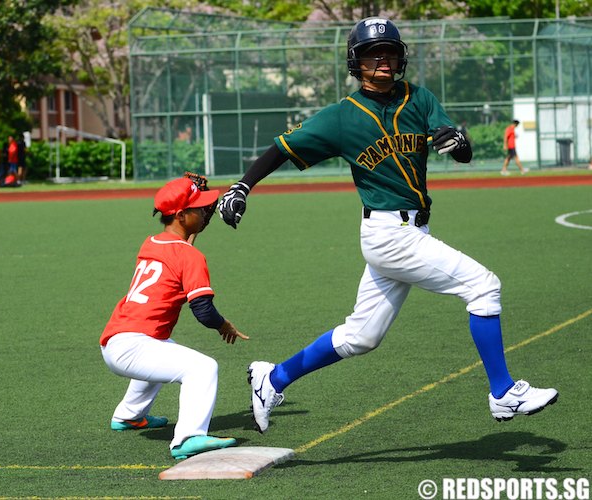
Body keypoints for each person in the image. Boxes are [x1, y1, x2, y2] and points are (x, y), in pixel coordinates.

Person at [217, 17, 558, 434]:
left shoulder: (420, 98)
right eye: (373, 53)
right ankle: (504, 392)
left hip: (413, 231)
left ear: (401, 60)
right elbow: (282, 149)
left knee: (362, 336)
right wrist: (241, 186)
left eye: (391, 52)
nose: (383, 59)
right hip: (387, 234)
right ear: (356, 62)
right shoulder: (341, 117)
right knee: (483, 285)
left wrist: (459, 142)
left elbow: (460, 149)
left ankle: (273, 378)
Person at [100, 177, 249, 460]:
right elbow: (203, 311)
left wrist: (195, 199)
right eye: (200, 209)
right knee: (203, 368)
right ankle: (189, 438)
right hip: (132, 347)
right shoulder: (189, 256)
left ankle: (129, 415)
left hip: (114, 342)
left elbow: (181, 247)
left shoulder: (151, 242)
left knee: (163, 346)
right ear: (181, 216)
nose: (206, 213)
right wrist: (223, 325)